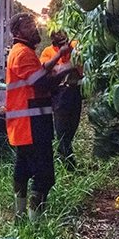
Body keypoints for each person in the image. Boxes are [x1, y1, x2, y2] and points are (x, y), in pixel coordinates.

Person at [6, 13, 71, 222]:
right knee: (43, 176)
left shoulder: (22, 52)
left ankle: (20, 216)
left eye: (33, 24)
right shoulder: (22, 53)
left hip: (26, 124)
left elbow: (39, 71)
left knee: (23, 169)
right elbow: (41, 83)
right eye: (28, 26)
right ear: (17, 32)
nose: (34, 29)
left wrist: (59, 55)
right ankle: (36, 227)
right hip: (32, 124)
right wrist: (67, 71)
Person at [40, 29, 83, 166]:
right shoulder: (48, 52)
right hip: (59, 93)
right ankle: (67, 161)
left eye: (65, 42)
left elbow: (84, 66)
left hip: (75, 91)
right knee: (62, 129)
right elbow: (46, 70)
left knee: (72, 126)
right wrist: (60, 56)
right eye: (60, 44)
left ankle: (65, 156)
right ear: (54, 43)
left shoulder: (76, 47)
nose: (65, 45)